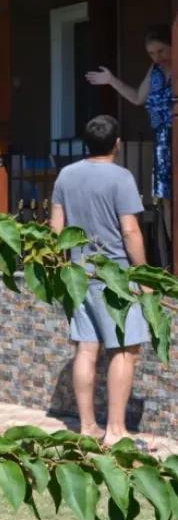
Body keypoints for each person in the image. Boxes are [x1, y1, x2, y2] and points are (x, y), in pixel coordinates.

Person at [49, 115, 150, 448]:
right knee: (124, 350)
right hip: (114, 276)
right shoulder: (121, 177)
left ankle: (88, 426)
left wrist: (65, 269)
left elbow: (56, 229)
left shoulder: (66, 174)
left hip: (78, 274)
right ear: (117, 144)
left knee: (87, 348)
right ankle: (116, 430)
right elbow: (131, 230)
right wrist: (144, 274)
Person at [85, 24, 171, 249]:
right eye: (152, 53)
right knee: (167, 199)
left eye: (161, 51)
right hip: (163, 141)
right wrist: (111, 80)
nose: (157, 57)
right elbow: (136, 98)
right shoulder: (155, 70)